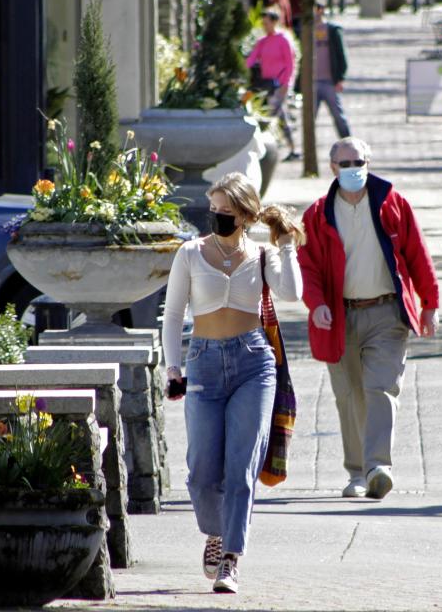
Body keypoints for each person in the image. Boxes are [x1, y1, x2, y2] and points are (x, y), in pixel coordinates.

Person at [161, 172, 304, 594]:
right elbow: (172, 316)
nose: (218, 218)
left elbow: (292, 292)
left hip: (254, 363)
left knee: (241, 467)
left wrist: (286, 245)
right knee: (202, 471)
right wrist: (173, 368)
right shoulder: (190, 253)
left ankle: (231, 558)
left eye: (226, 212)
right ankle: (216, 531)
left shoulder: (261, 255)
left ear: (245, 214)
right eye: (214, 210)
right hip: (203, 360)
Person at [297, 137, 439, 500]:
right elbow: (307, 266)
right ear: (332, 169)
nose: (352, 170)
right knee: (349, 397)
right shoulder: (316, 214)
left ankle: (378, 467)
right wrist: (316, 304)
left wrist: (430, 304)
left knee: (381, 388)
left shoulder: (393, 203)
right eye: (344, 164)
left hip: (387, 312)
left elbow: (417, 253)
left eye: (358, 162)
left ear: (368, 162)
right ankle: (357, 473)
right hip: (339, 316)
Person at [246, 5, 299, 161]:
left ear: (275, 22)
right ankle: (292, 148)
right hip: (267, 84)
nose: (264, 26)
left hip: (280, 84)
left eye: (266, 22)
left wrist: (286, 84)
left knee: (270, 115)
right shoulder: (263, 41)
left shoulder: (283, 40)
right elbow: (252, 59)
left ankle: (263, 147)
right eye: (263, 23)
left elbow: (290, 64)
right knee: (281, 116)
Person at [312, 0, 351, 139]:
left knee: (339, 117)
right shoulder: (306, 31)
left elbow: (341, 55)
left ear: (321, 10)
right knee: (310, 119)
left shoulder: (333, 30)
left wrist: (340, 78)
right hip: (312, 82)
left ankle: (348, 143)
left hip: (330, 81)